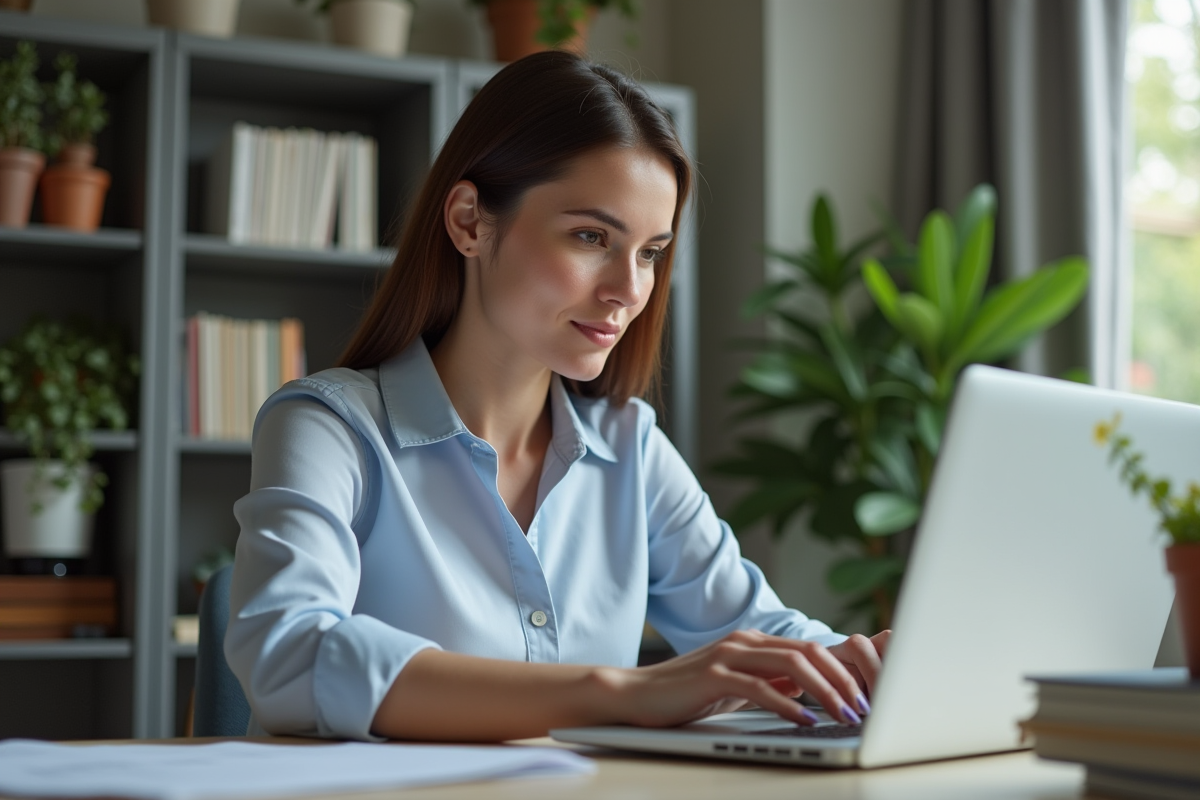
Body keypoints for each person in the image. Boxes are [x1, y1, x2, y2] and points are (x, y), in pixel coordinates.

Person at [225, 50, 890, 743]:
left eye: (650, 253)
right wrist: (620, 692)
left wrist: (863, 665)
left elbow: (761, 633)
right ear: (469, 221)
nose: (629, 291)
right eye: (591, 236)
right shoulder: (331, 428)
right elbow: (289, 657)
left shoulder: (631, 447)